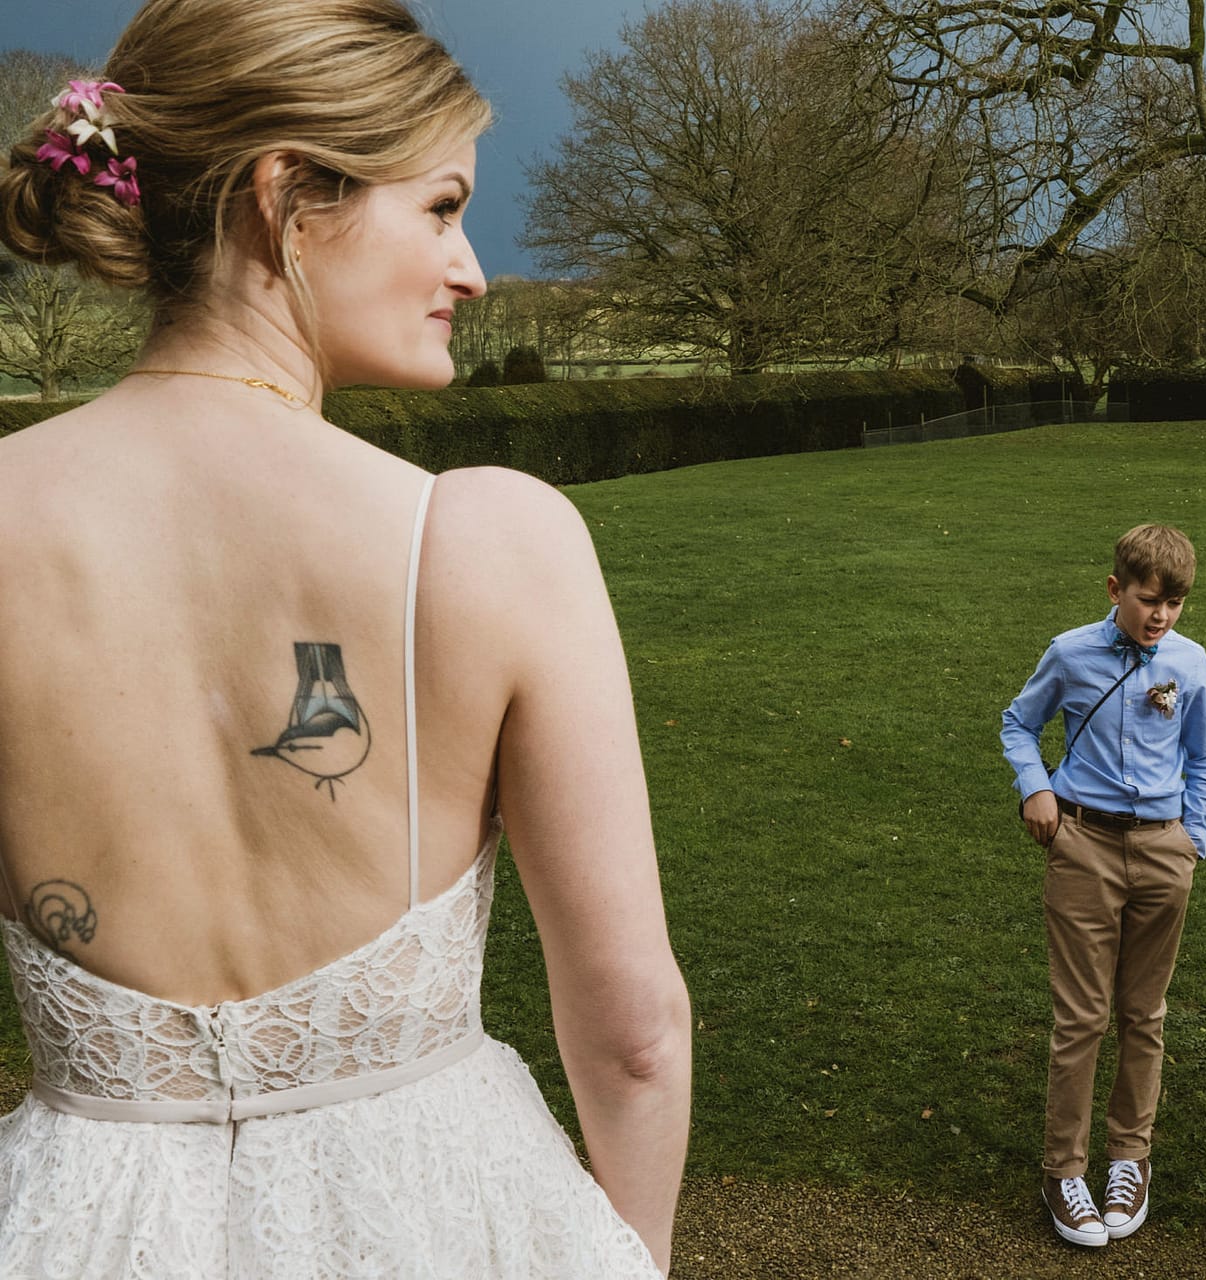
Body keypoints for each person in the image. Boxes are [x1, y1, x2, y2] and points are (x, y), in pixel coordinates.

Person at [0, 2, 690, 1275]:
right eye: (439, 207)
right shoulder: (495, 543)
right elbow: (634, 1030)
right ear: (287, 197)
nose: (473, 268)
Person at [1000, 524, 1206, 1248]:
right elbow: (1017, 723)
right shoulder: (1071, 652)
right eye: (1149, 599)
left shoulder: (1189, 662)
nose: (1161, 615)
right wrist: (1037, 789)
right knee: (1080, 1017)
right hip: (1084, 844)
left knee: (1145, 1013)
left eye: (1175, 603)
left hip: (1164, 851)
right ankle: (1064, 1170)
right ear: (1114, 589)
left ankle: (1130, 1161)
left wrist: (1194, 836)